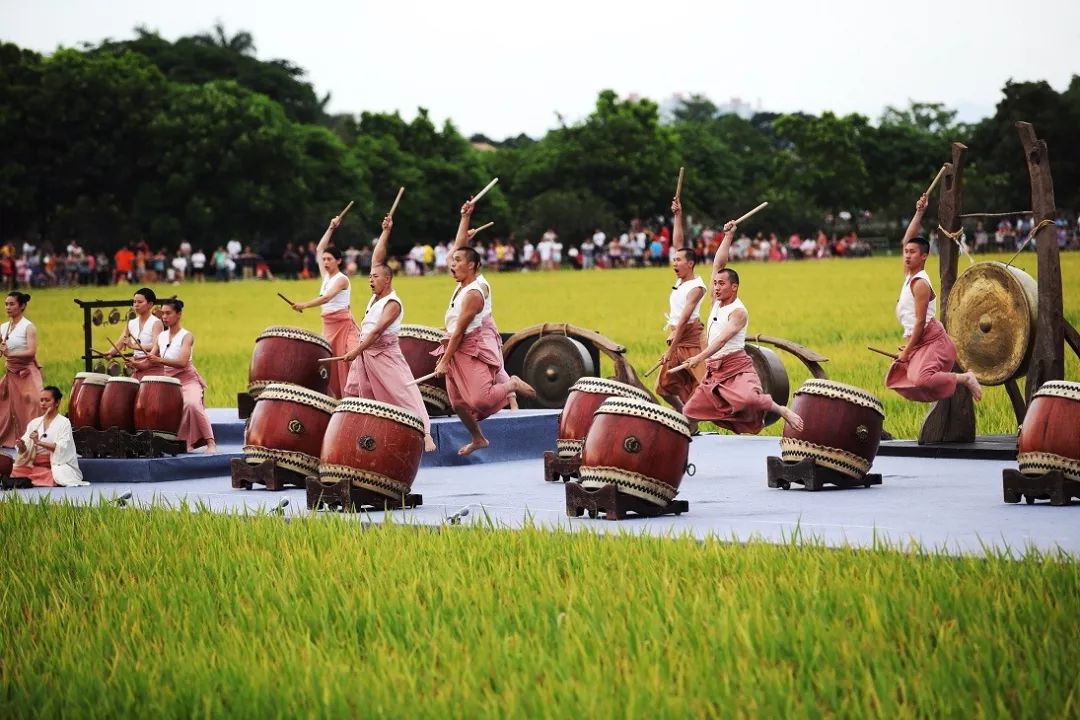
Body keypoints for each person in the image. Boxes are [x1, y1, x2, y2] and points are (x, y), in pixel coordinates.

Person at [680, 217, 804, 434]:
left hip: (735, 366)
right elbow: (719, 264)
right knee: (690, 410)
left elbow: (721, 340)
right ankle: (684, 440)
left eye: (721, 284)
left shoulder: (739, 312)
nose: (716, 287)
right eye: (715, 283)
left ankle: (782, 410)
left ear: (734, 287)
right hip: (714, 371)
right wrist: (728, 235)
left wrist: (698, 357)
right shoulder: (715, 301)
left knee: (749, 399)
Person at [434, 212, 535, 456]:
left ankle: (510, 385)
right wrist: (464, 217)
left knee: (481, 398)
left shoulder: (474, 292)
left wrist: (445, 360)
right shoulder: (463, 282)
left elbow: (460, 331)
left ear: (472, 266)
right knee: (457, 402)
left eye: (457, 261)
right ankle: (478, 438)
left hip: (472, 341)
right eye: (453, 261)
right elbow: (460, 247)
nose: (452, 264)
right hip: (457, 341)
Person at [342, 215, 436, 452]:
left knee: (402, 393)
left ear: (388, 279)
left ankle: (425, 433)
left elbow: (376, 332)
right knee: (357, 393)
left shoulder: (393, 304)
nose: (370, 280)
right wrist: (385, 231)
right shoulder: (376, 296)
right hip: (365, 353)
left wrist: (355, 351)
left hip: (384, 355)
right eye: (370, 277)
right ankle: (363, 436)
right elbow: (377, 257)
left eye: (375, 277)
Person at [885, 194, 982, 402]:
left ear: (924, 256)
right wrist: (919, 212)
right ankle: (950, 383)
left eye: (912, 252)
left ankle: (965, 378)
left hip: (932, 340)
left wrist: (908, 351)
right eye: (906, 252)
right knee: (899, 376)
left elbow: (920, 322)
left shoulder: (920, 283)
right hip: (919, 340)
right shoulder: (909, 275)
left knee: (920, 379)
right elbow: (906, 240)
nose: (907, 255)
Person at [130, 298, 217, 453]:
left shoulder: (187, 336)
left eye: (168, 313)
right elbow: (149, 361)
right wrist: (136, 364)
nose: (164, 316)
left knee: (192, 404)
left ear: (179, 314)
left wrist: (158, 360)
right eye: (162, 313)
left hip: (187, 380)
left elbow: (183, 362)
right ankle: (169, 443)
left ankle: (210, 443)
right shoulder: (161, 337)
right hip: (169, 383)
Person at [291, 215, 358, 399]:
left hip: (342, 325)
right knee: (330, 363)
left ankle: (354, 397)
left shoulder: (341, 279)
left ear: (338, 261)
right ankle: (334, 398)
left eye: (329, 259)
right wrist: (331, 227)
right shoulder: (327, 277)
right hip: (329, 325)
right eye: (325, 259)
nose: (326, 262)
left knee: (347, 361)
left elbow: (327, 297)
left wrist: (303, 304)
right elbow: (320, 248)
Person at [655, 197, 707, 416]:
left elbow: (684, 319)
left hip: (690, 340)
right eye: (673, 260)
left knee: (706, 388)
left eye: (679, 260)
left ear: (690, 263)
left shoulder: (696, 287)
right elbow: (678, 243)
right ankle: (685, 416)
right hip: (675, 338)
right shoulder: (680, 281)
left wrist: (670, 349)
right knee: (663, 387)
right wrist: (677, 215)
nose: (674, 263)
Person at [11, 387, 87, 487]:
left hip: (54, 466)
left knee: (56, 476)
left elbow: (62, 447)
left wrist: (39, 442)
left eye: (47, 400)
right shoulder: (34, 423)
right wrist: (21, 445)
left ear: (57, 402)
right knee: (13, 471)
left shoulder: (64, 423)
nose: (43, 403)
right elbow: (24, 448)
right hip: (33, 466)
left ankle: (34, 480)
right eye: (41, 400)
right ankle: (31, 479)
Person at [0, 291, 43, 447]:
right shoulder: (3, 328)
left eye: (12, 304)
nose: (8, 307)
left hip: (26, 371)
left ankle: (36, 441)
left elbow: (31, 352)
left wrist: (10, 353)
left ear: (22, 306)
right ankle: (13, 440)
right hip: (11, 372)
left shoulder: (28, 327)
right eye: (6, 304)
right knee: (6, 407)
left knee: (37, 402)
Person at [110, 287, 163, 380]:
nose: (136, 305)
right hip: (136, 367)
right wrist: (110, 353)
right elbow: (122, 340)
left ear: (150, 304)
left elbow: (156, 346)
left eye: (140, 302)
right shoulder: (131, 322)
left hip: (153, 367)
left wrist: (134, 346)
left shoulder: (156, 323)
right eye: (134, 302)